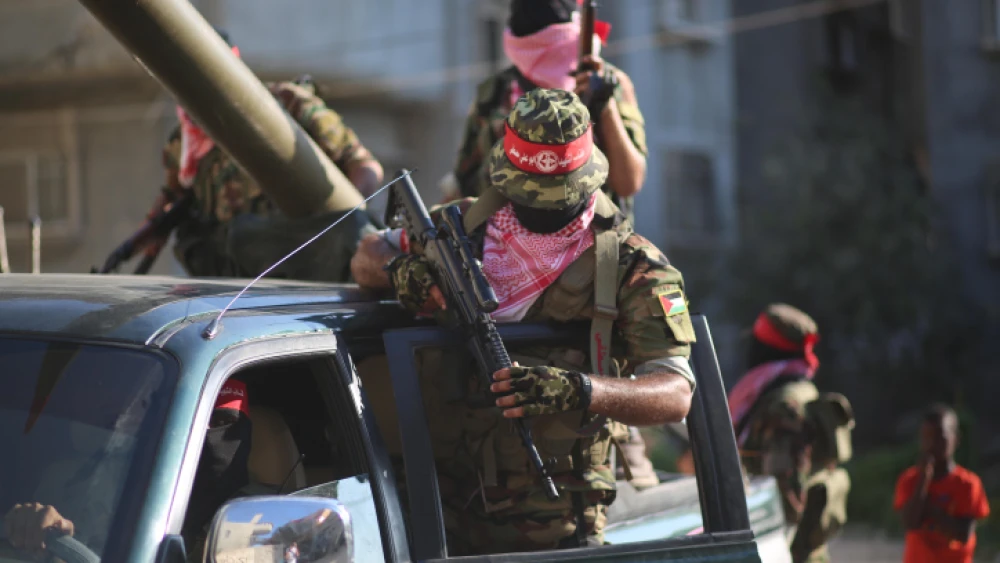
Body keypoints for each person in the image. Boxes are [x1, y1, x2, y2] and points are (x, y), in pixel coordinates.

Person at [351, 88, 694, 554]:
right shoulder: (460, 228)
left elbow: (675, 393)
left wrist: (581, 390)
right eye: (528, 192)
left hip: (551, 526)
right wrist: (399, 272)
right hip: (433, 510)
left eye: (555, 197)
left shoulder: (634, 266)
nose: (540, 207)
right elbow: (365, 256)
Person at [151, 29, 384, 280]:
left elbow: (366, 167)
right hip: (229, 273)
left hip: (295, 255)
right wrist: (152, 228)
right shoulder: (184, 140)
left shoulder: (285, 104)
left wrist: (344, 220)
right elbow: (173, 194)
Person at [2, 379, 257, 562]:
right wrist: (40, 528)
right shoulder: (77, 479)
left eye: (222, 422)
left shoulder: (255, 515)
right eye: (193, 423)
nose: (204, 435)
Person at [451, 0, 646, 225]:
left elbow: (629, 182)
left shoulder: (609, 84)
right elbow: (464, 181)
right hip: (504, 238)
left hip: (587, 238)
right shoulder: (495, 92)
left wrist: (605, 106)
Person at [726, 304, 854, 563]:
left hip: (786, 550)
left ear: (764, 349)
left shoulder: (783, 406)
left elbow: (786, 501)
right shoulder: (799, 389)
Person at [894, 404, 990, 563]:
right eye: (926, 437)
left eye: (940, 437)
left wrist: (930, 509)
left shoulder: (968, 484)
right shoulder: (910, 479)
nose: (932, 444)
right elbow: (909, 523)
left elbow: (963, 534)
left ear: (956, 439)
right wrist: (923, 480)